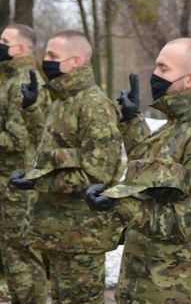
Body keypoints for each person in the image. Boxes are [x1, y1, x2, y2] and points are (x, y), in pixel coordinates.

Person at [85, 38, 191, 303]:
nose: (154, 76)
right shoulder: (177, 127)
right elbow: (155, 177)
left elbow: (184, 223)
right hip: (153, 286)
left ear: (190, 80)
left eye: (164, 69)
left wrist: (117, 203)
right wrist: (131, 122)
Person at [10, 30, 124, 304]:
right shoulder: (60, 101)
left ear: (75, 61)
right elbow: (47, 154)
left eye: (52, 56)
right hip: (56, 231)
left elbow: (96, 175)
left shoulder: (94, 106)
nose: (45, 60)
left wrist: (37, 181)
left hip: (81, 236)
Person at [0, 24, 48, 303]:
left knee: (22, 251)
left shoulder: (22, 82)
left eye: (4, 40)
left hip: (18, 183)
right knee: (15, 251)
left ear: (20, 48)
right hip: (11, 181)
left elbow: (17, 140)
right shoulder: (10, 79)